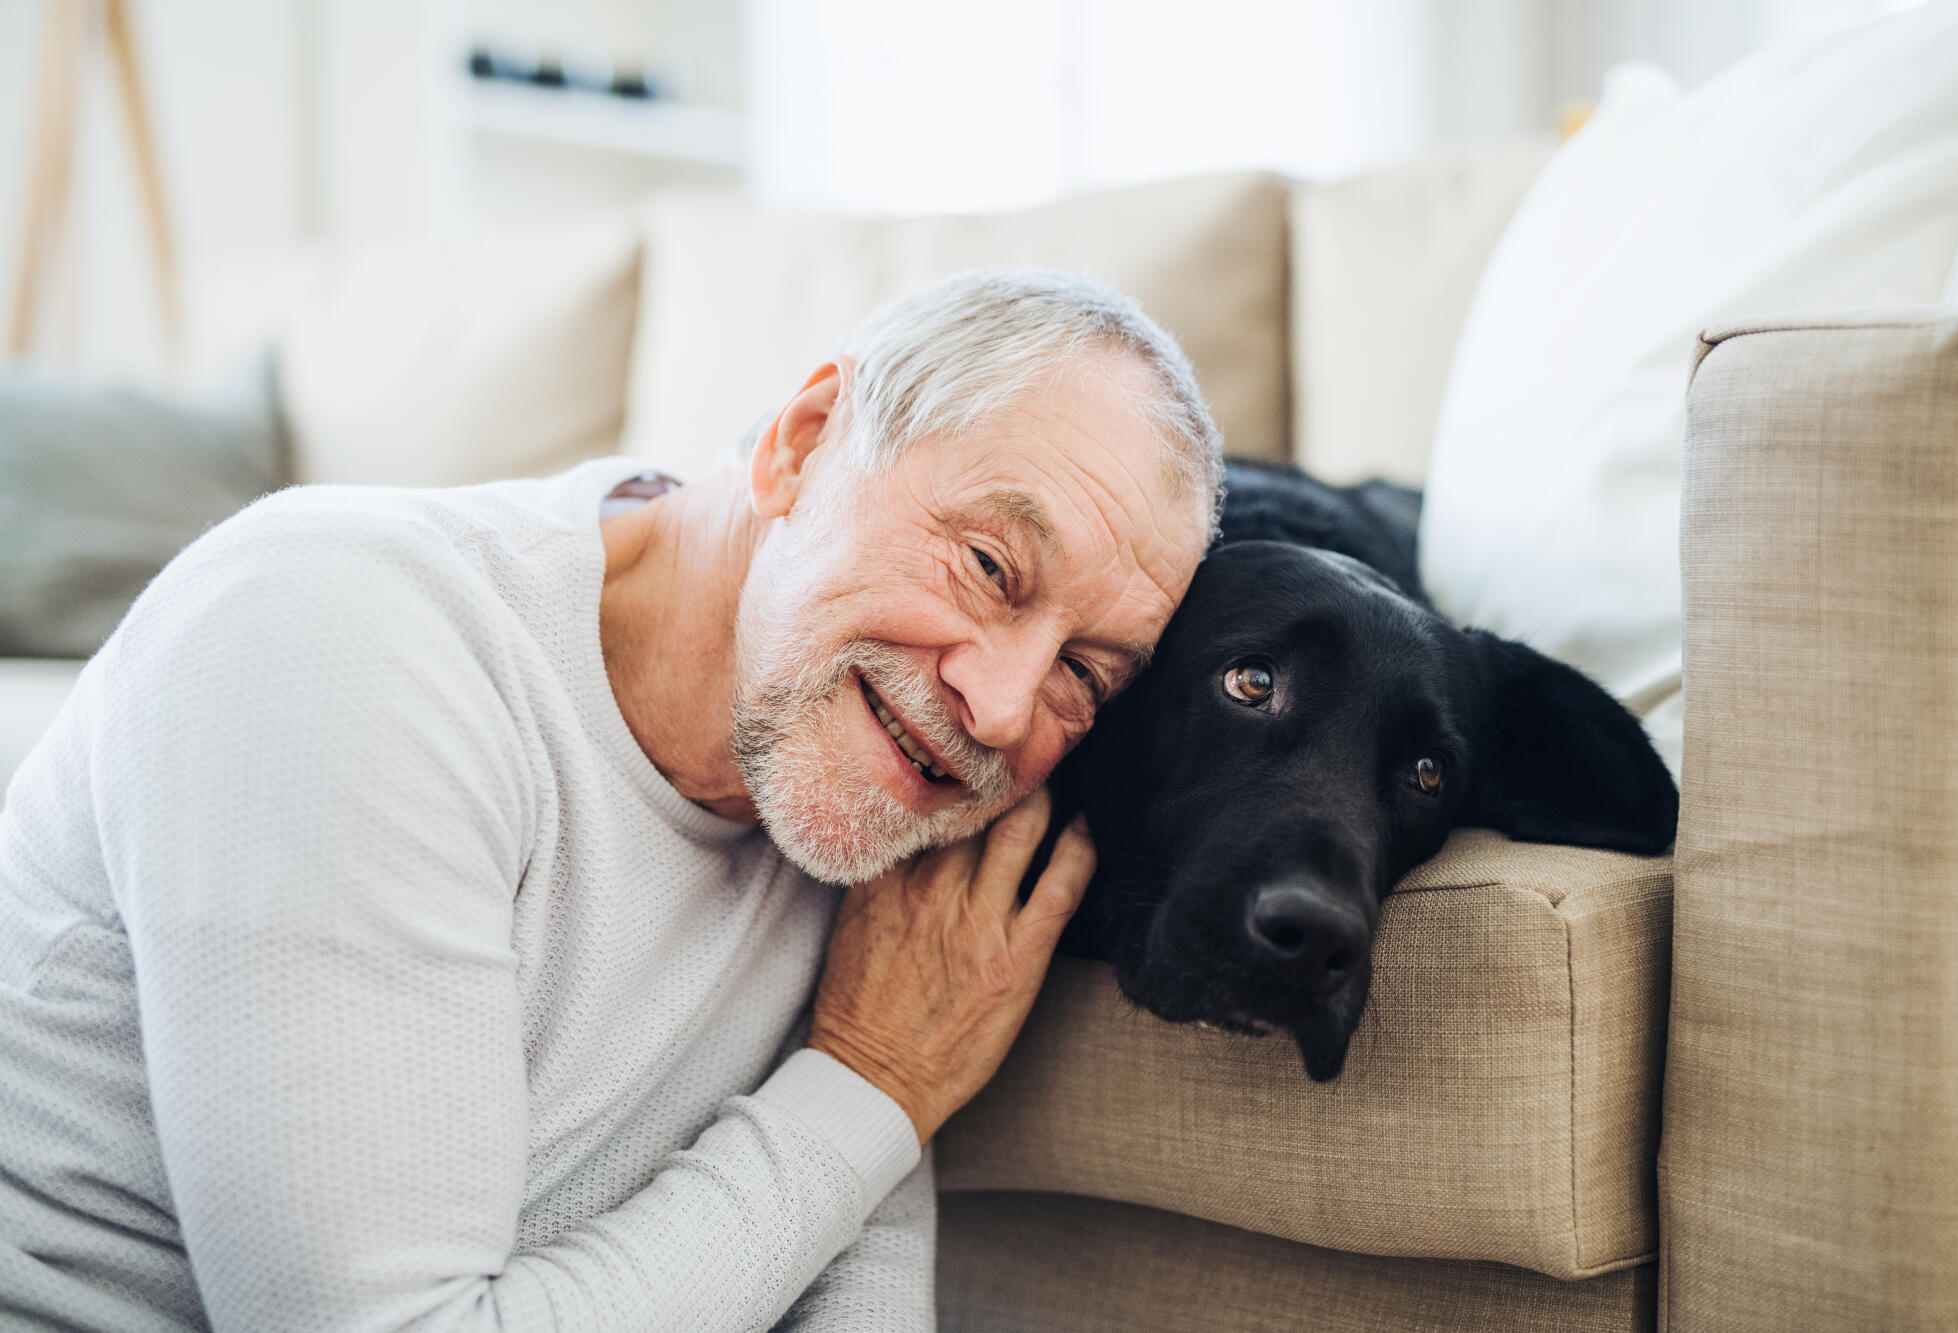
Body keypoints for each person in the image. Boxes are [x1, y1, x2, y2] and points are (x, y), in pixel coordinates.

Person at [0, 268, 1221, 1330]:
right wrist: (870, 1086)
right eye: (989, 566)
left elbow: (847, 1281)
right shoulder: (339, 634)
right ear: (801, 442)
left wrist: (871, 1101)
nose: (1002, 708)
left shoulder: (871, 780)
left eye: (1081, 673)